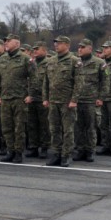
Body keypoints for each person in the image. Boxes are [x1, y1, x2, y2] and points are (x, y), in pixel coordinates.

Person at [0, 34, 32, 163]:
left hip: (19, 98)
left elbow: (34, 78)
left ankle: (18, 152)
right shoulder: (3, 58)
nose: (6, 43)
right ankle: (10, 151)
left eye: (9, 41)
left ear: (17, 43)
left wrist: (30, 94)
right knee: (7, 127)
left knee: (19, 128)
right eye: (5, 41)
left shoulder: (25, 58)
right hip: (5, 98)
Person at [71, 39, 108, 163]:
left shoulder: (100, 63)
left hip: (91, 101)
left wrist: (101, 98)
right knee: (78, 127)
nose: (79, 49)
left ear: (90, 49)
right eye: (79, 47)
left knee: (91, 127)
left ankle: (90, 150)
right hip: (77, 100)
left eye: (83, 47)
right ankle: (80, 149)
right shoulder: (76, 62)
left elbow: (105, 82)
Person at [43, 36, 77, 167]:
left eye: (60, 43)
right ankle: (56, 153)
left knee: (68, 130)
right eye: (55, 43)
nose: (56, 45)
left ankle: (66, 154)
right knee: (54, 129)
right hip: (53, 101)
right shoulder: (51, 61)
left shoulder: (74, 61)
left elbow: (79, 82)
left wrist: (74, 99)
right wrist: (45, 98)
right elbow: (46, 81)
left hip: (67, 101)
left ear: (67, 45)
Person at [26, 42, 50, 159]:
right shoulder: (31, 63)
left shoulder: (48, 63)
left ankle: (44, 147)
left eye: (37, 49)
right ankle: (33, 147)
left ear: (44, 51)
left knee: (44, 125)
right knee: (32, 125)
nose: (35, 51)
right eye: (34, 49)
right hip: (31, 98)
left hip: (42, 99)